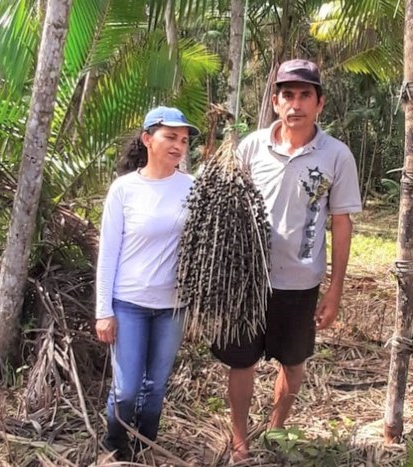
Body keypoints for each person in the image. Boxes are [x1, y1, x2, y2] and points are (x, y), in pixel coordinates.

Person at [211, 59, 362, 461]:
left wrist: (335, 287)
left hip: (300, 281)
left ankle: (276, 430)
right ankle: (240, 438)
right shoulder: (251, 147)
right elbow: (229, 210)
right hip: (248, 279)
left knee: (292, 362)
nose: (295, 104)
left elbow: (341, 222)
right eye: (287, 95)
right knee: (241, 361)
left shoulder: (336, 156)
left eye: (304, 95)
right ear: (275, 102)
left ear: (320, 103)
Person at [95, 106, 200, 460]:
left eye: (183, 140)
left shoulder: (194, 188)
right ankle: (116, 446)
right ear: (147, 139)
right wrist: (103, 311)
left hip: (172, 305)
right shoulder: (124, 190)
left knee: (155, 388)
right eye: (170, 137)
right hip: (129, 304)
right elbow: (108, 254)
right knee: (126, 390)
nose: (178, 146)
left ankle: (144, 448)